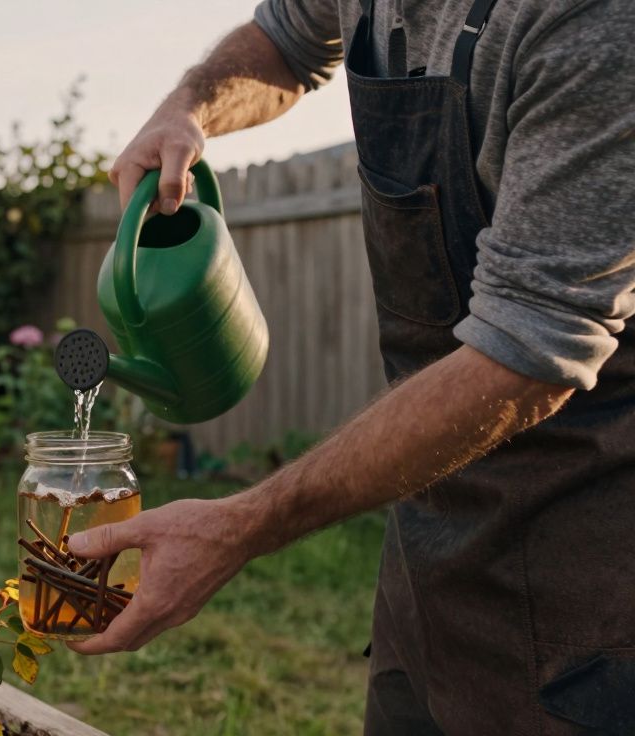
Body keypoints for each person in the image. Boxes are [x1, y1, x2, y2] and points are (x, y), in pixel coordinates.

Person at [68, 0, 634, 732]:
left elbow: (530, 349)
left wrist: (240, 525)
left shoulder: (592, 24)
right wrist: (189, 107)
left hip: (585, 580)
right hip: (427, 540)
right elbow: (286, 41)